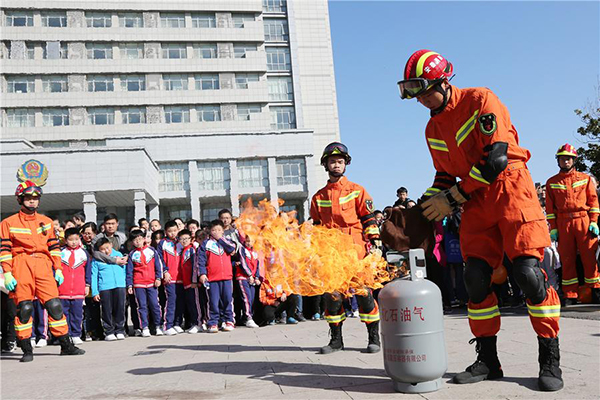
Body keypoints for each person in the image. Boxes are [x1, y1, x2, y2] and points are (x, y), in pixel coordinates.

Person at [398, 49, 562, 391]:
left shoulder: (480, 100)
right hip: (475, 200)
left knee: (527, 274)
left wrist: (454, 197)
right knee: (475, 277)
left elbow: (496, 160)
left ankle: (550, 358)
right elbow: (444, 175)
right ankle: (488, 360)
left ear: (444, 82)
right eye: (413, 93)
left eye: (425, 90)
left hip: (511, 189)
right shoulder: (431, 129)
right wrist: (424, 207)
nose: (421, 99)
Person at [0, 181, 85, 362]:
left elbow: (54, 247)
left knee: (54, 306)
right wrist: (7, 272)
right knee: (25, 308)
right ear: (20, 199)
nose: (32, 201)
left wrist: (58, 269)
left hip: (44, 265)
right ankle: (26, 348)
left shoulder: (46, 222)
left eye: (35, 198)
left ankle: (66, 345)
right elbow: (5, 250)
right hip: (20, 264)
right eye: (29, 198)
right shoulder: (8, 223)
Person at [310, 142, 382, 354]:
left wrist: (375, 242)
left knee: (363, 293)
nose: (337, 165)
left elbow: (368, 218)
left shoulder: (357, 190)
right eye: (332, 162)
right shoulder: (318, 197)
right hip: (331, 253)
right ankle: (336, 341)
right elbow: (316, 228)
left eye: (340, 162)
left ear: (346, 164)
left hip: (355, 249)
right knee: (332, 296)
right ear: (326, 165)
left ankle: (373, 338)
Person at [545, 144, 599, 305]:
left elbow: (593, 201)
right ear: (558, 161)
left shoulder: (585, 179)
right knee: (567, 259)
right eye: (562, 158)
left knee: (589, 257)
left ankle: (595, 289)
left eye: (568, 158)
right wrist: (553, 227)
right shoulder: (551, 182)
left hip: (583, 220)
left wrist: (594, 221)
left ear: (573, 160)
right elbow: (549, 208)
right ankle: (570, 294)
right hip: (563, 223)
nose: (565, 161)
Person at [197, 220, 237, 333]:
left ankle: (229, 320)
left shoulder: (227, 241)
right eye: (214, 230)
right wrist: (202, 274)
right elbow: (201, 261)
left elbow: (231, 249)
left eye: (219, 230)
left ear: (223, 231)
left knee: (227, 299)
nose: (217, 232)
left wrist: (221, 239)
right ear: (210, 231)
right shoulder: (206, 244)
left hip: (227, 277)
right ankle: (213, 322)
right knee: (213, 301)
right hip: (213, 278)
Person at [126, 229, 165, 337]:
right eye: (135, 240)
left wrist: (158, 278)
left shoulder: (152, 251)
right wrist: (129, 285)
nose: (138, 242)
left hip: (152, 283)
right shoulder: (132, 254)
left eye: (140, 239)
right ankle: (145, 327)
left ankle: (158, 326)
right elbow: (129, 271)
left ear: (144, 239)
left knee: (155, 305)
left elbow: (158, 266)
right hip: (138, 284)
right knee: (142, 306)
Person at [59, 228, 91, 345]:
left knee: (77, 314)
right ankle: (66, 335)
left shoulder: (84, 253)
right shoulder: (61, 253)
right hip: (63, 290)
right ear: (65, 240)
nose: (74, 242)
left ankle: (76, 334)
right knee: (64, 314)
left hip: (78, 289)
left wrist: (87, 285)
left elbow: (88, 271)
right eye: (71, 240)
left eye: (76, 239)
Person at [91, 238, 127, 341]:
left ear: (111, 245)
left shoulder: (119, 255)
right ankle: (109, 331)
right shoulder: (97, 260)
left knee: (120, 308)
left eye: (107, 247)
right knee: (107, 310)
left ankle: (120, 330)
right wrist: (95, 292)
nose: (106, 251)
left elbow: (124, 271)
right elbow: (94, 276)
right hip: (105, 287)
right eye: (103, 249)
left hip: (120, 286)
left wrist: (126, 285)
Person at [156, 220, 182, 335]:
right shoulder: (162, 243)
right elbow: (159, 259)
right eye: (170, 231)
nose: (173, 233)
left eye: (175, 231)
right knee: (171, 301)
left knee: (180, 302)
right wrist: (165, 272)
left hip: (181, 277)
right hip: (169, 278)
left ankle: (177, 323)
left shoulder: (182, 242)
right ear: (166, 232)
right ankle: (167, 325)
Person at [178, 229, 201, 333]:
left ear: (191, 239)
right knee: (190, 304)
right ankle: (193, 322)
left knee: (195, 304)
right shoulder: (183, 251)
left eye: (186, 238)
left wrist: (194, 280)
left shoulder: (192, 249)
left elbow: (194, 267)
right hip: (186, 282)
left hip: (193, 282)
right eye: (181, 239)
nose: (184, 241)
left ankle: (198, 323)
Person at [236, 237, 261, 328]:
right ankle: (248, 317)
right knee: (246, 298)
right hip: (243, 277)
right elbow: (243, 263)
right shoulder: (242, 249)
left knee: (251, 299)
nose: (248, 243)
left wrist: (256, 277)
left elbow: (257, 266)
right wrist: (249, 275)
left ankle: (247, 317)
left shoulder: (254, 253)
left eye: (251, 241)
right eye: (247, 241)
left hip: (252, 279)